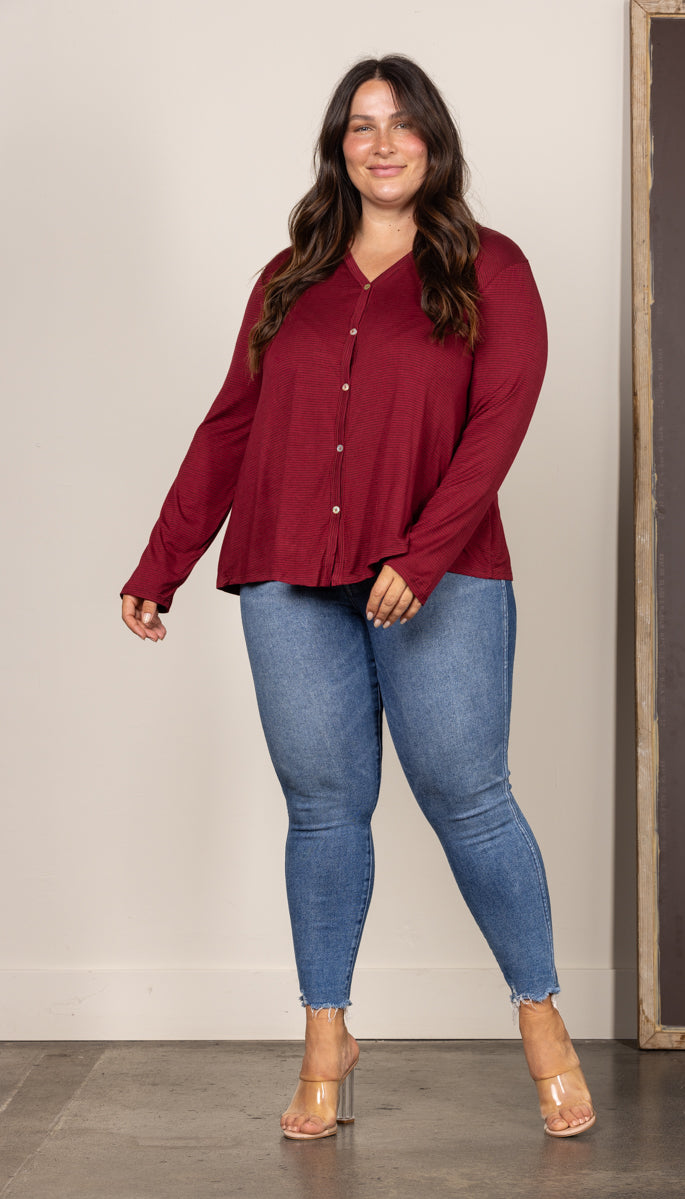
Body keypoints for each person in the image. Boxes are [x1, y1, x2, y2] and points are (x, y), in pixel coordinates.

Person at [120, 54, 595, 1142]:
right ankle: (325, 1034)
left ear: (433, 140)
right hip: (286, 572)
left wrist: (419, 557)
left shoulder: (490, 268)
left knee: (469, 797)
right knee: (323, 808)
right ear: (339, 147)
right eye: (360, 126)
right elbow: (231, 424)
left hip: (439, 578)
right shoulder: (289, 275)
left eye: (401, 123)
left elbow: (499, 424)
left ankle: (540, 1014)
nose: (382, 144)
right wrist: (162, 562)